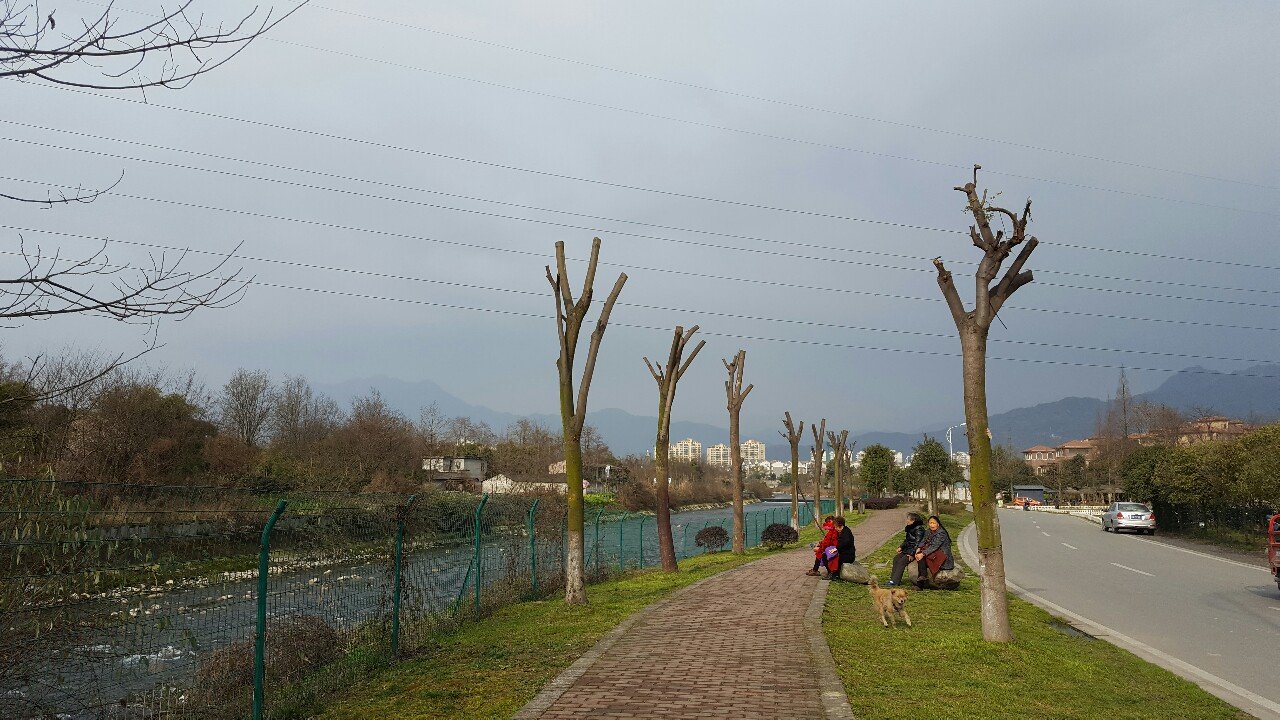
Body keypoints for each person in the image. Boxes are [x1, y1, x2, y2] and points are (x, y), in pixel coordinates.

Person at [912, 515, 955, 588]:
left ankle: (921, 582)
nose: (932, 525)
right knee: (919, 557)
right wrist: (919, 548)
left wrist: (923, 554)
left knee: (921, 557)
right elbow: (923, 540)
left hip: (943, 557)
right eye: (930, 523)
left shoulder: (942, 533)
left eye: (934, 523)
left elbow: (934, 546)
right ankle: (922, 578)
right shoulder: (928, 531)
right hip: (933, 553)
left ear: (938, 524)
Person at [888, 512, 925, 586]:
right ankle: (892, 580)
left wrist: (912, 554)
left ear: (913, 520)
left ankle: (895, 582)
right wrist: (901, 547)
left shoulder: (919, 529)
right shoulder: (910, 528)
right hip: (908, 549)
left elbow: (918, 544)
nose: (906, 520)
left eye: (908, 519)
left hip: (915, 551)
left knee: (902, 562)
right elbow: (907, 540)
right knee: (896, 559)